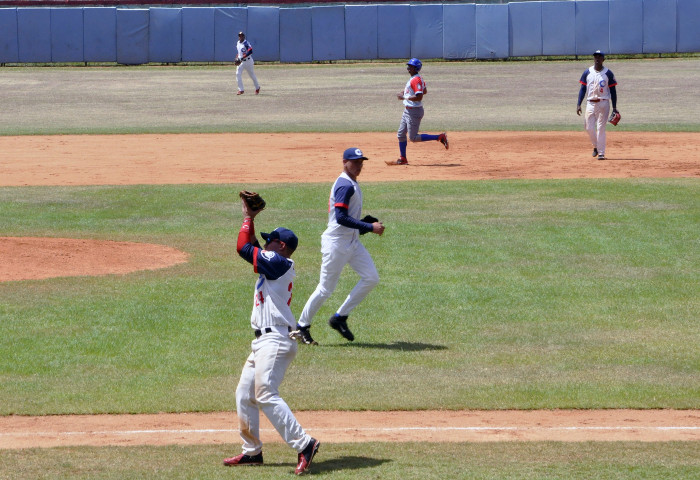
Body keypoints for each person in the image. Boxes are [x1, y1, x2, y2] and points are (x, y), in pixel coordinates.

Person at [223, 198, 320, 475]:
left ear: (281, 246)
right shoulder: (274, 263)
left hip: (275, 340)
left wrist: (246, 216)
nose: (265, 245)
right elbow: (252, 246)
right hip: (264, 342)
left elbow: (243, 248)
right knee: (244, 394)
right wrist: (251, 219)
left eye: (270, 241)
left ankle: (304, 444)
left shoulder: (280, 262)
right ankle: (252, 452)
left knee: (265, 393)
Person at [291, 147, 384, 345]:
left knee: (371, 278)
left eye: (361, 162)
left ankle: (340, 317)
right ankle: (301, 327)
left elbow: (346, 217)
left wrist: (364, 225)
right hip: (336, 245)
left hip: (351, 242)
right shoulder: (345, 185)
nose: (359, 166)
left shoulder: (351, 183)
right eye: (355, 162)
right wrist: (369, 226)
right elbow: (341, 218)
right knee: (325, 289)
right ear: (344, 162)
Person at [386, 58, 448, 166]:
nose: (408, 68)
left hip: (414, 112)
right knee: (401, 134)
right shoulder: (416, 78)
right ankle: (403, 158)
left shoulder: (416, 79)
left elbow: (419, 96)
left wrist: (404, 96)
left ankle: (439, 137)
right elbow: (424, 90)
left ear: (416, 68)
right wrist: (406, 92)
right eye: (408, 66)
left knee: (413, 138)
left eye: (410, 66)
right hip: (407, 111)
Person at [577, 50, 619, 160]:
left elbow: (613, 91)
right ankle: (596, 146)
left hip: (604, 103)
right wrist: (578, 104)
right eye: (596, 56)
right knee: (588, 127)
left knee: (601, 128)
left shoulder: (608, 73)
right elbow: (582, 89)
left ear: (603, 59)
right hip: (590, 103)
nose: (597, 58)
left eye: (600, 57)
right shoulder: (587, 72)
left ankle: (601, 153)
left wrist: (614, 107)